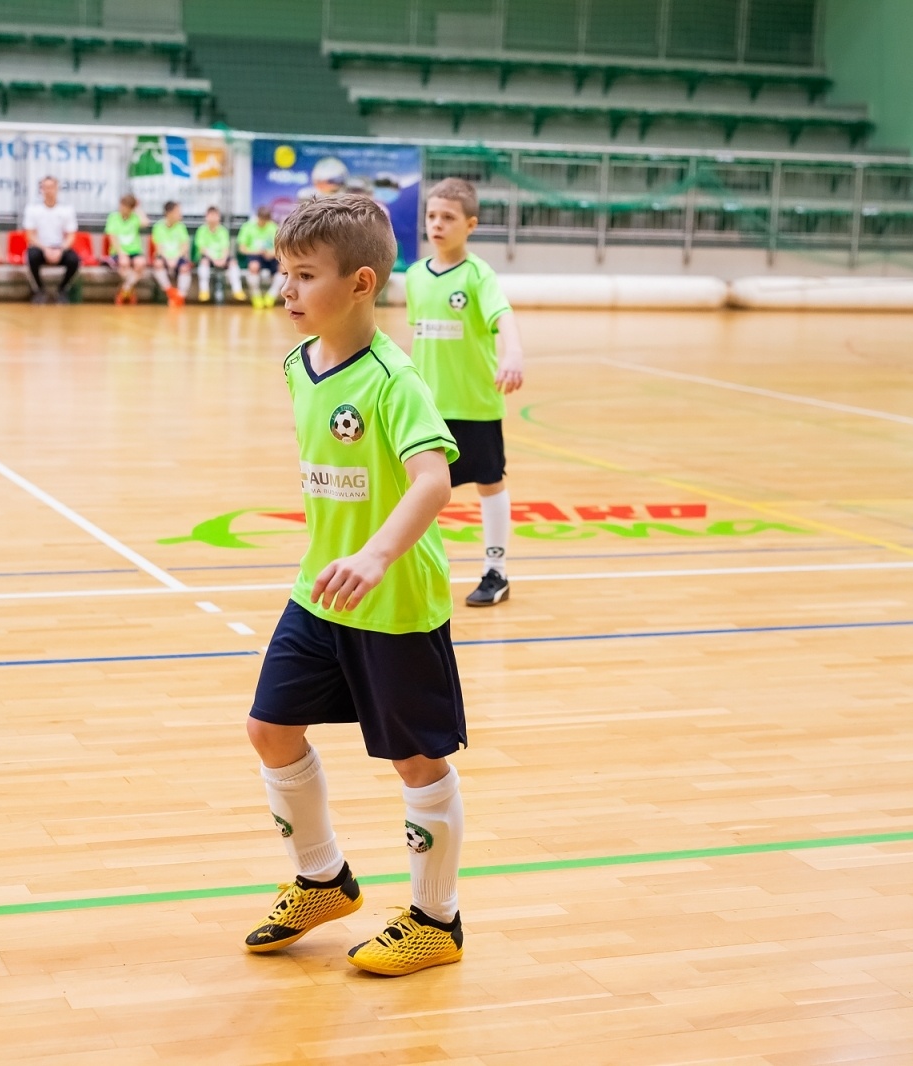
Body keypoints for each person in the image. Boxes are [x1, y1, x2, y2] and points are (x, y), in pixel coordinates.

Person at [243, 194, 467, 978]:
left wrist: (374, 554)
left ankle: (437, 920)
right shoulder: (298, 365)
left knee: (416, 762)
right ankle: (322, 878)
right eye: (284, 273)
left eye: (305, 275)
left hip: (393, 599)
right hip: (319, 592)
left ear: (362, 282)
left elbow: (433, 481)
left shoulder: (392, 378)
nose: (288, 290)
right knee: (270, 729)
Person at [404, 177, 525, 607]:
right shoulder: (415, 276)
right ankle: (413, 569)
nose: (437, 224)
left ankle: (497, 571)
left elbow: (502, 314)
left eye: (448, 217)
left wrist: (513, 352)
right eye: (431, 216)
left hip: (475, 405)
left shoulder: (478, 275)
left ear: (469, 224)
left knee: (489, 483)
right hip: (428, 407)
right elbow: (419, 336)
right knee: (419, 488)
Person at [22, 175, 79, 304]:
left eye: (51, 187)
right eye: (45, 187)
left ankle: (62, 289)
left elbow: (71, 236)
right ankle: (39, 290)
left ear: (57, 189)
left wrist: (61, 249)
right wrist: (45, 249)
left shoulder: (66, 210)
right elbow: (30, 235)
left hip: (60, 247)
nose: (48, 190)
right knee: (31, 256)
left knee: (74, 259)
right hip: (40, 247)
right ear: (41, 190)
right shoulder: (32, 209)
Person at [194, 205, 244, 304]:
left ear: (219, 217)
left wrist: (223, 259)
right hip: (209, 258)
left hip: (222, 258)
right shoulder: (201, 230)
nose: (213, 218)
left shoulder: (223, 231)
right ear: (206, 217)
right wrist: (214, 259)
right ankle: (204, 291)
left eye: (215, 215)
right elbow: (202, 249)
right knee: (204, 262)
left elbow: (226, 248)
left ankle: (237, 290)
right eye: (210, 215)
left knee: (233, 262)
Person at [104, 193, 147, 305]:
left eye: (125, 207)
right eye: (121, 205)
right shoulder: (113, 217)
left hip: (134, 251)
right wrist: (120, 252)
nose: (122, 208)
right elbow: (112, 237)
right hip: (119, 251)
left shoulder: (135, 217)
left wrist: (138, 208)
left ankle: (125, 289)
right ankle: (129, 289)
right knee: (124, 263)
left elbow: (145, 222)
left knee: (141, 264)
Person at [237, 203, 281, 308]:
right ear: (258, 217)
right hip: (254, 255)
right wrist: (257, 252)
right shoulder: (247, 227)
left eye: (266, 220)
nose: (264, 222)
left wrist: (272, 253)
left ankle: (271, 295)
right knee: (254, 266)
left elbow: (280, 247)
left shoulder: (273, 227)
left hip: (270, 256)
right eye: (262, 219)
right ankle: (256, 296)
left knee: (283, 268)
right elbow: (242, 249)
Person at [150, 200, 192, 307]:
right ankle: (170, 292)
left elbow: (185, 246)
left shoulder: (181, 227)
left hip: (178, 257)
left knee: (185, 268)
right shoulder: (158, 227)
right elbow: (159, 248)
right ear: (169, 213)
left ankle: (180, 296)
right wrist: (168, 259)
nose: (180, 215)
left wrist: (176, 258)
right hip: (164, 257)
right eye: (178, 212)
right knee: (158, 264)